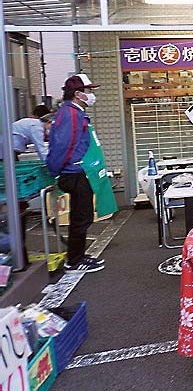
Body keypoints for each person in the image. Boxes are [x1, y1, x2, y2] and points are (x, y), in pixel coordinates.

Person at [47, 74, 114, 273]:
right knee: (81, 217)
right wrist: (57, 171)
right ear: (78, 94)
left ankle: (78, 256)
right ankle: (74, 260)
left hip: (78, 171)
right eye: (89, 91)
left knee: (82, 216)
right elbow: (63, 146)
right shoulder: (71, 114)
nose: (92, 94)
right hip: (75, 173)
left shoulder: (73, 113)